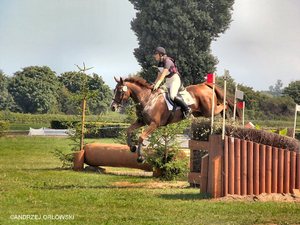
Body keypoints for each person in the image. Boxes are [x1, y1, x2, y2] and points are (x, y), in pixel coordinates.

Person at [153, 47, 192, 118]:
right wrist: (154, 84)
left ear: (161, 54)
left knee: (172, 96)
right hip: (168, 81)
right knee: (158, 92)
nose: (154, 56)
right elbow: (158, 76)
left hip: (175, 79)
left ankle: (187, 109)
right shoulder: (160, 63)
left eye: (156, 54)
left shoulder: (168, 61)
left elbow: (163, 74)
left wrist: (158, 83)